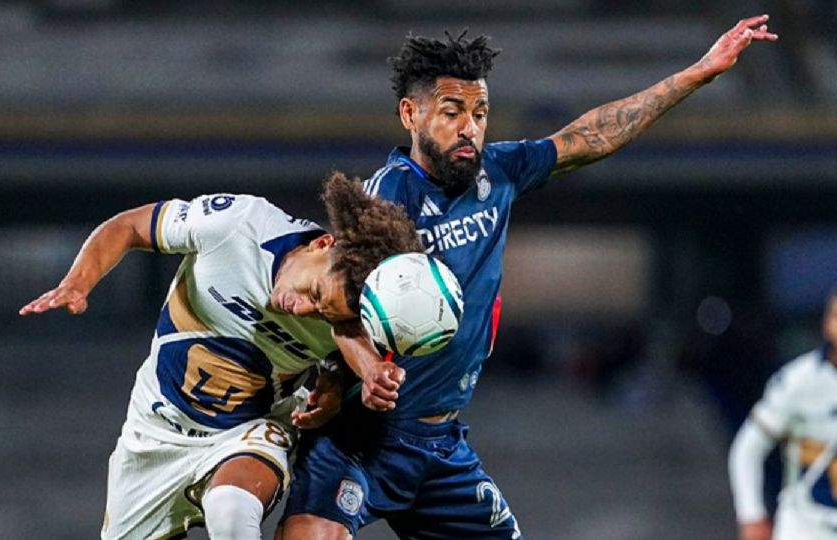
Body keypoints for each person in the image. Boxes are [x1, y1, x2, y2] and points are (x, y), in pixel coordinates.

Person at [279, 16, 778, 540]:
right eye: (451, 112)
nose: (469, 127)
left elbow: (593, 135)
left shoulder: (499, 172)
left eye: (480, 113)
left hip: (441, 444)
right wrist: (365, 368)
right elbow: (336, 309)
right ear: (410, 113)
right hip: (362, 436)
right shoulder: (386, 200)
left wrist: (698, 73)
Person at [19, 173, 423, 540]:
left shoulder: (347, 317)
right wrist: (78, 282)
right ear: (322, 244)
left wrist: (346, 376)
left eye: (322, 313)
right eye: (313, 293)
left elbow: (345, 339)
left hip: (247, 432)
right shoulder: (237, 226)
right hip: (154, 432)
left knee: (231, 513)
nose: (302, 309)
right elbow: (129, 226)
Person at [729, 281, 837, 540]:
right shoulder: (798, 381)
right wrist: (751, 514)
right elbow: (748, 448)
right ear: (827, 325)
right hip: (806, 530)